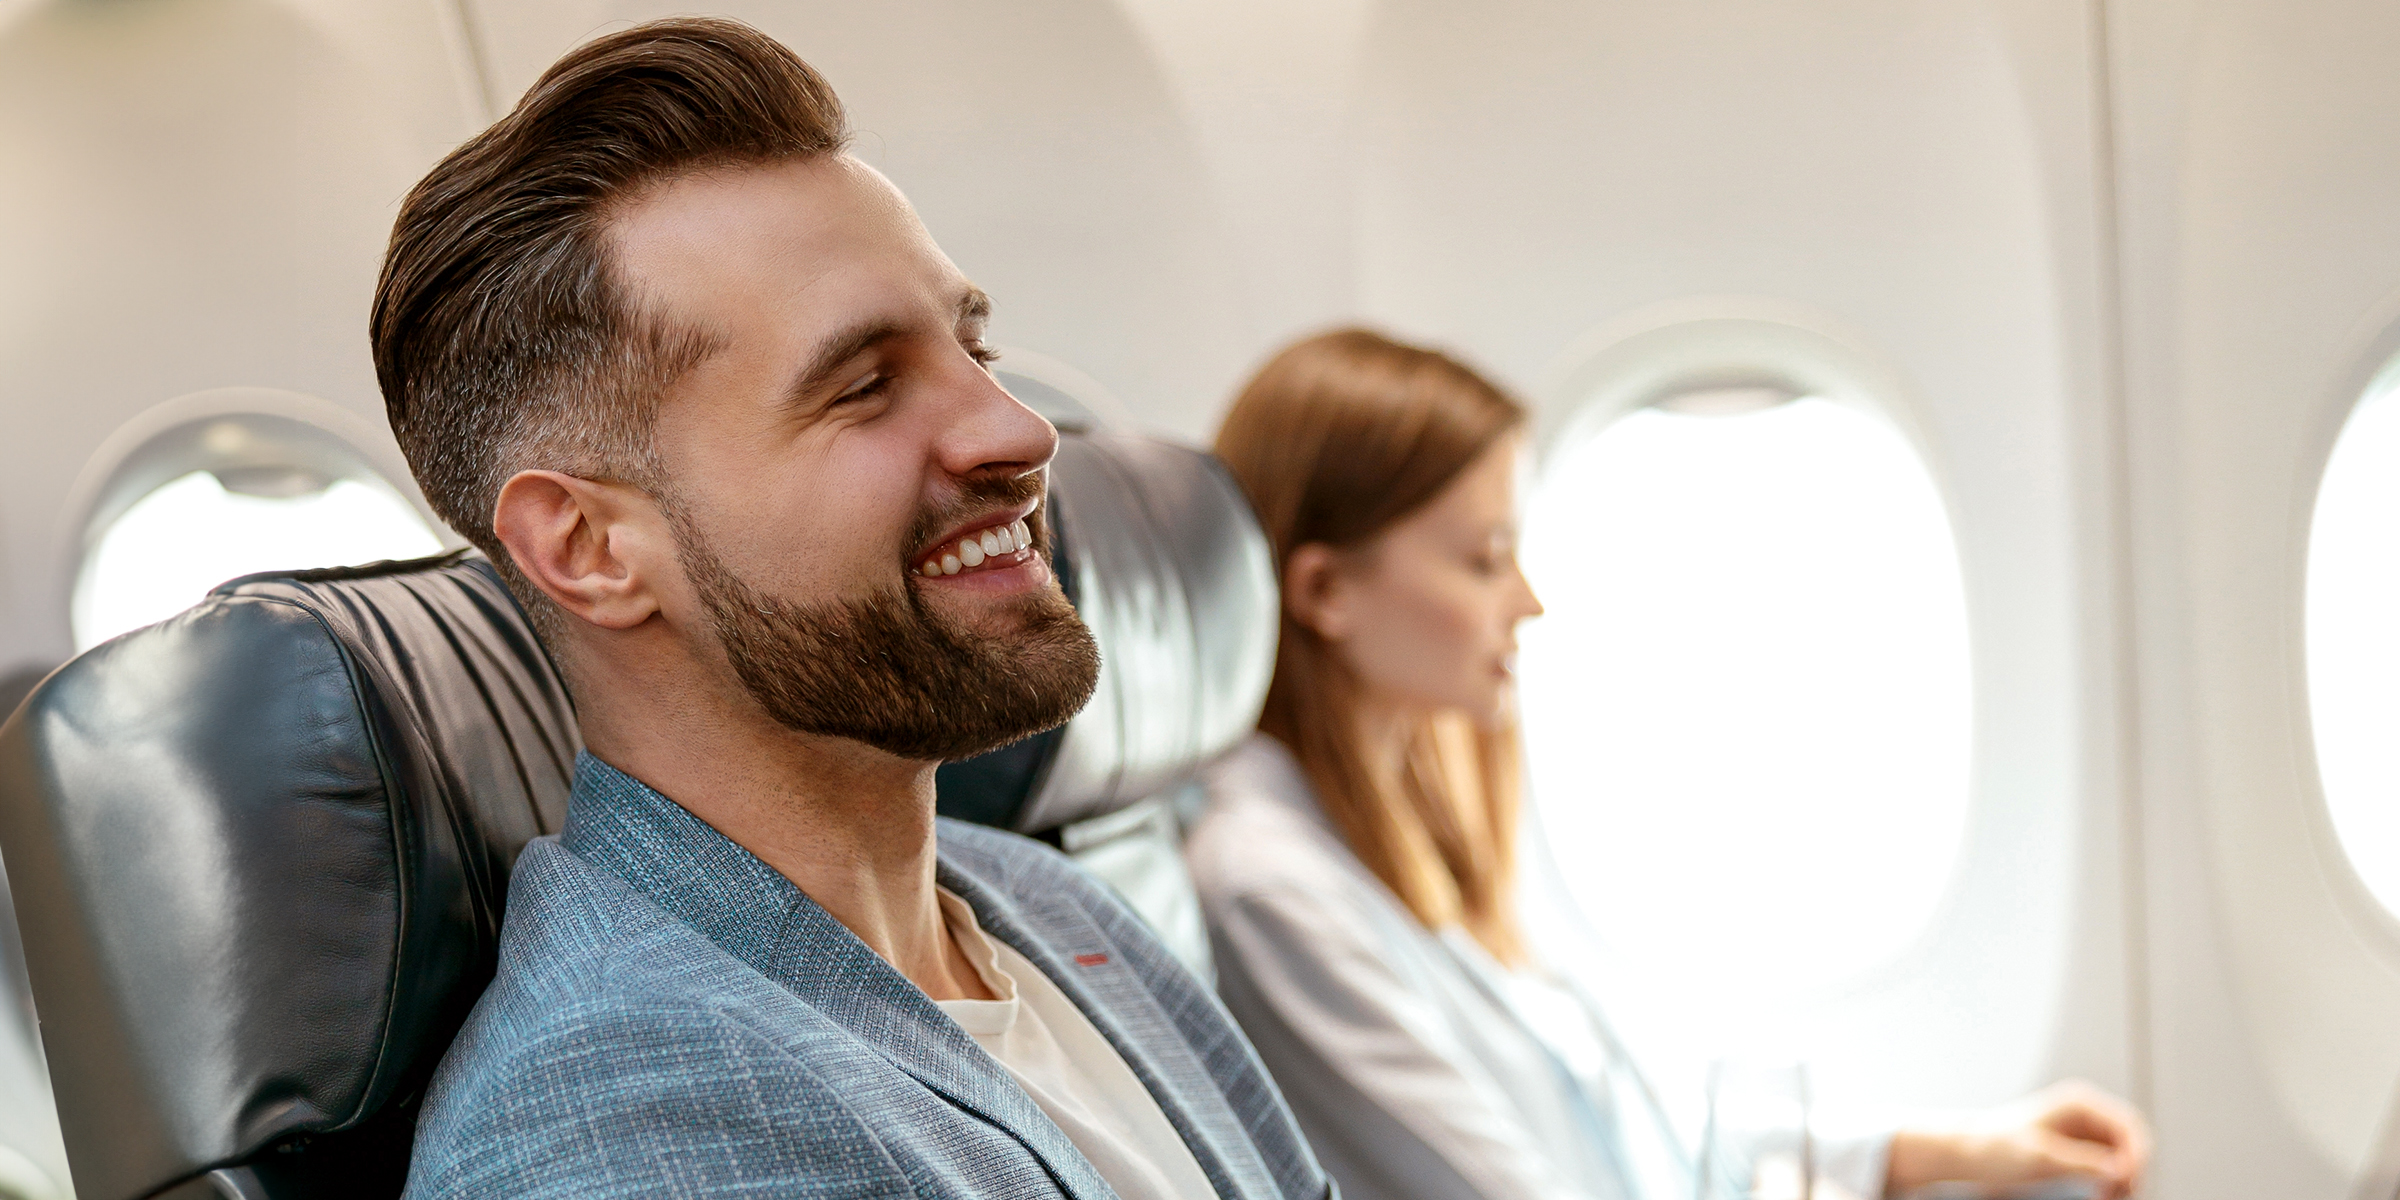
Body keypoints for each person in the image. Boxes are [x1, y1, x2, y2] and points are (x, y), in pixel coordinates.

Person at [376, 19, 1328, 1199]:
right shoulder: (631, 1123)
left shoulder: (1048, 905)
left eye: (973, 348)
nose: (1021, 432)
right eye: (865, 387)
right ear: (589, 549)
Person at [1187, 328, 2152, 1200]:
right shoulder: (1271, 888)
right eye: (1485, 558)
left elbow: (1615, 1128)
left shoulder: (1391, 837)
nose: (1527, 601)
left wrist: (1949, 1151)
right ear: (1325, 590)